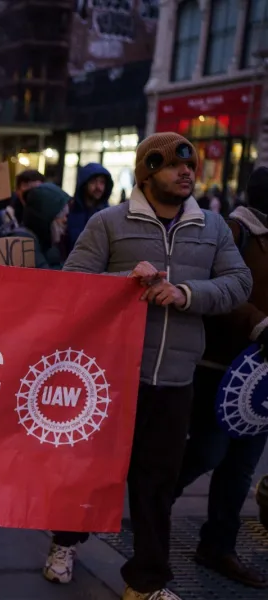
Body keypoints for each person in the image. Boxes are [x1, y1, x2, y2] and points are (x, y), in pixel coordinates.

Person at [45, 132, 252, 600]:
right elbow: (71, 286)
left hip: (175, 380)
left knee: (157, 485)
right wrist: (126, 282)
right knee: (90, 472)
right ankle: (64, 542)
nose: (186, 173)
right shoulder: (109, 223)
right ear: (146, 172)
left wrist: (187, 294)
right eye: (173, 166)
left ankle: (147, 581)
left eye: (190, 166)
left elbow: (239, 282)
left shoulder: (212, 227)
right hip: (110, 378)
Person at [171, 166, 268, 589]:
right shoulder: (230, 231)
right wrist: (259, 324)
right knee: (206, 453)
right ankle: (152, 504)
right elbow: (214, 288)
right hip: (219, 368)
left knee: (242, 467)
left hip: (261, 378)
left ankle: (218, 546)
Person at [14, 182, 70, 269]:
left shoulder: (47, 244)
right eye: (61, 215)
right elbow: (47, 279)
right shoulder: (23, 240)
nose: (65, 220)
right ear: (46, 216)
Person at [66, 163, 113, 254]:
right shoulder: (69, 210)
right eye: (93, 182)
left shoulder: (108, 215)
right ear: (83, 184)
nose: (98, 187)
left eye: (102, 182)